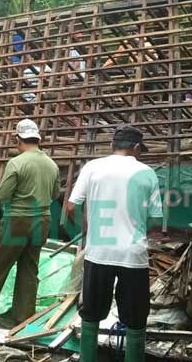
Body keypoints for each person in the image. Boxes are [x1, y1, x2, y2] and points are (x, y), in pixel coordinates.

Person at [65, 125, 163, 362]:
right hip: (132, 254)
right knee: (136, 317)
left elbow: (70, 207)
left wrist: (89, 229)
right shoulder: (147, 172)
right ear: (136, 147)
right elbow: (157, 220)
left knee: (91, 312)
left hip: (98, 252)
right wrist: (138, 230)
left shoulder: (93, 167)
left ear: (112, 146)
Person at [0, 119, 60, 324]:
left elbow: (2, 197)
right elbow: (55, 194)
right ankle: (23, 317)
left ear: (18, 139)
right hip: (43, 220)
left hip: (17, 220)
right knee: (29, 269)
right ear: (38, 139)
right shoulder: (52, 165)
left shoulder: (17, 163)